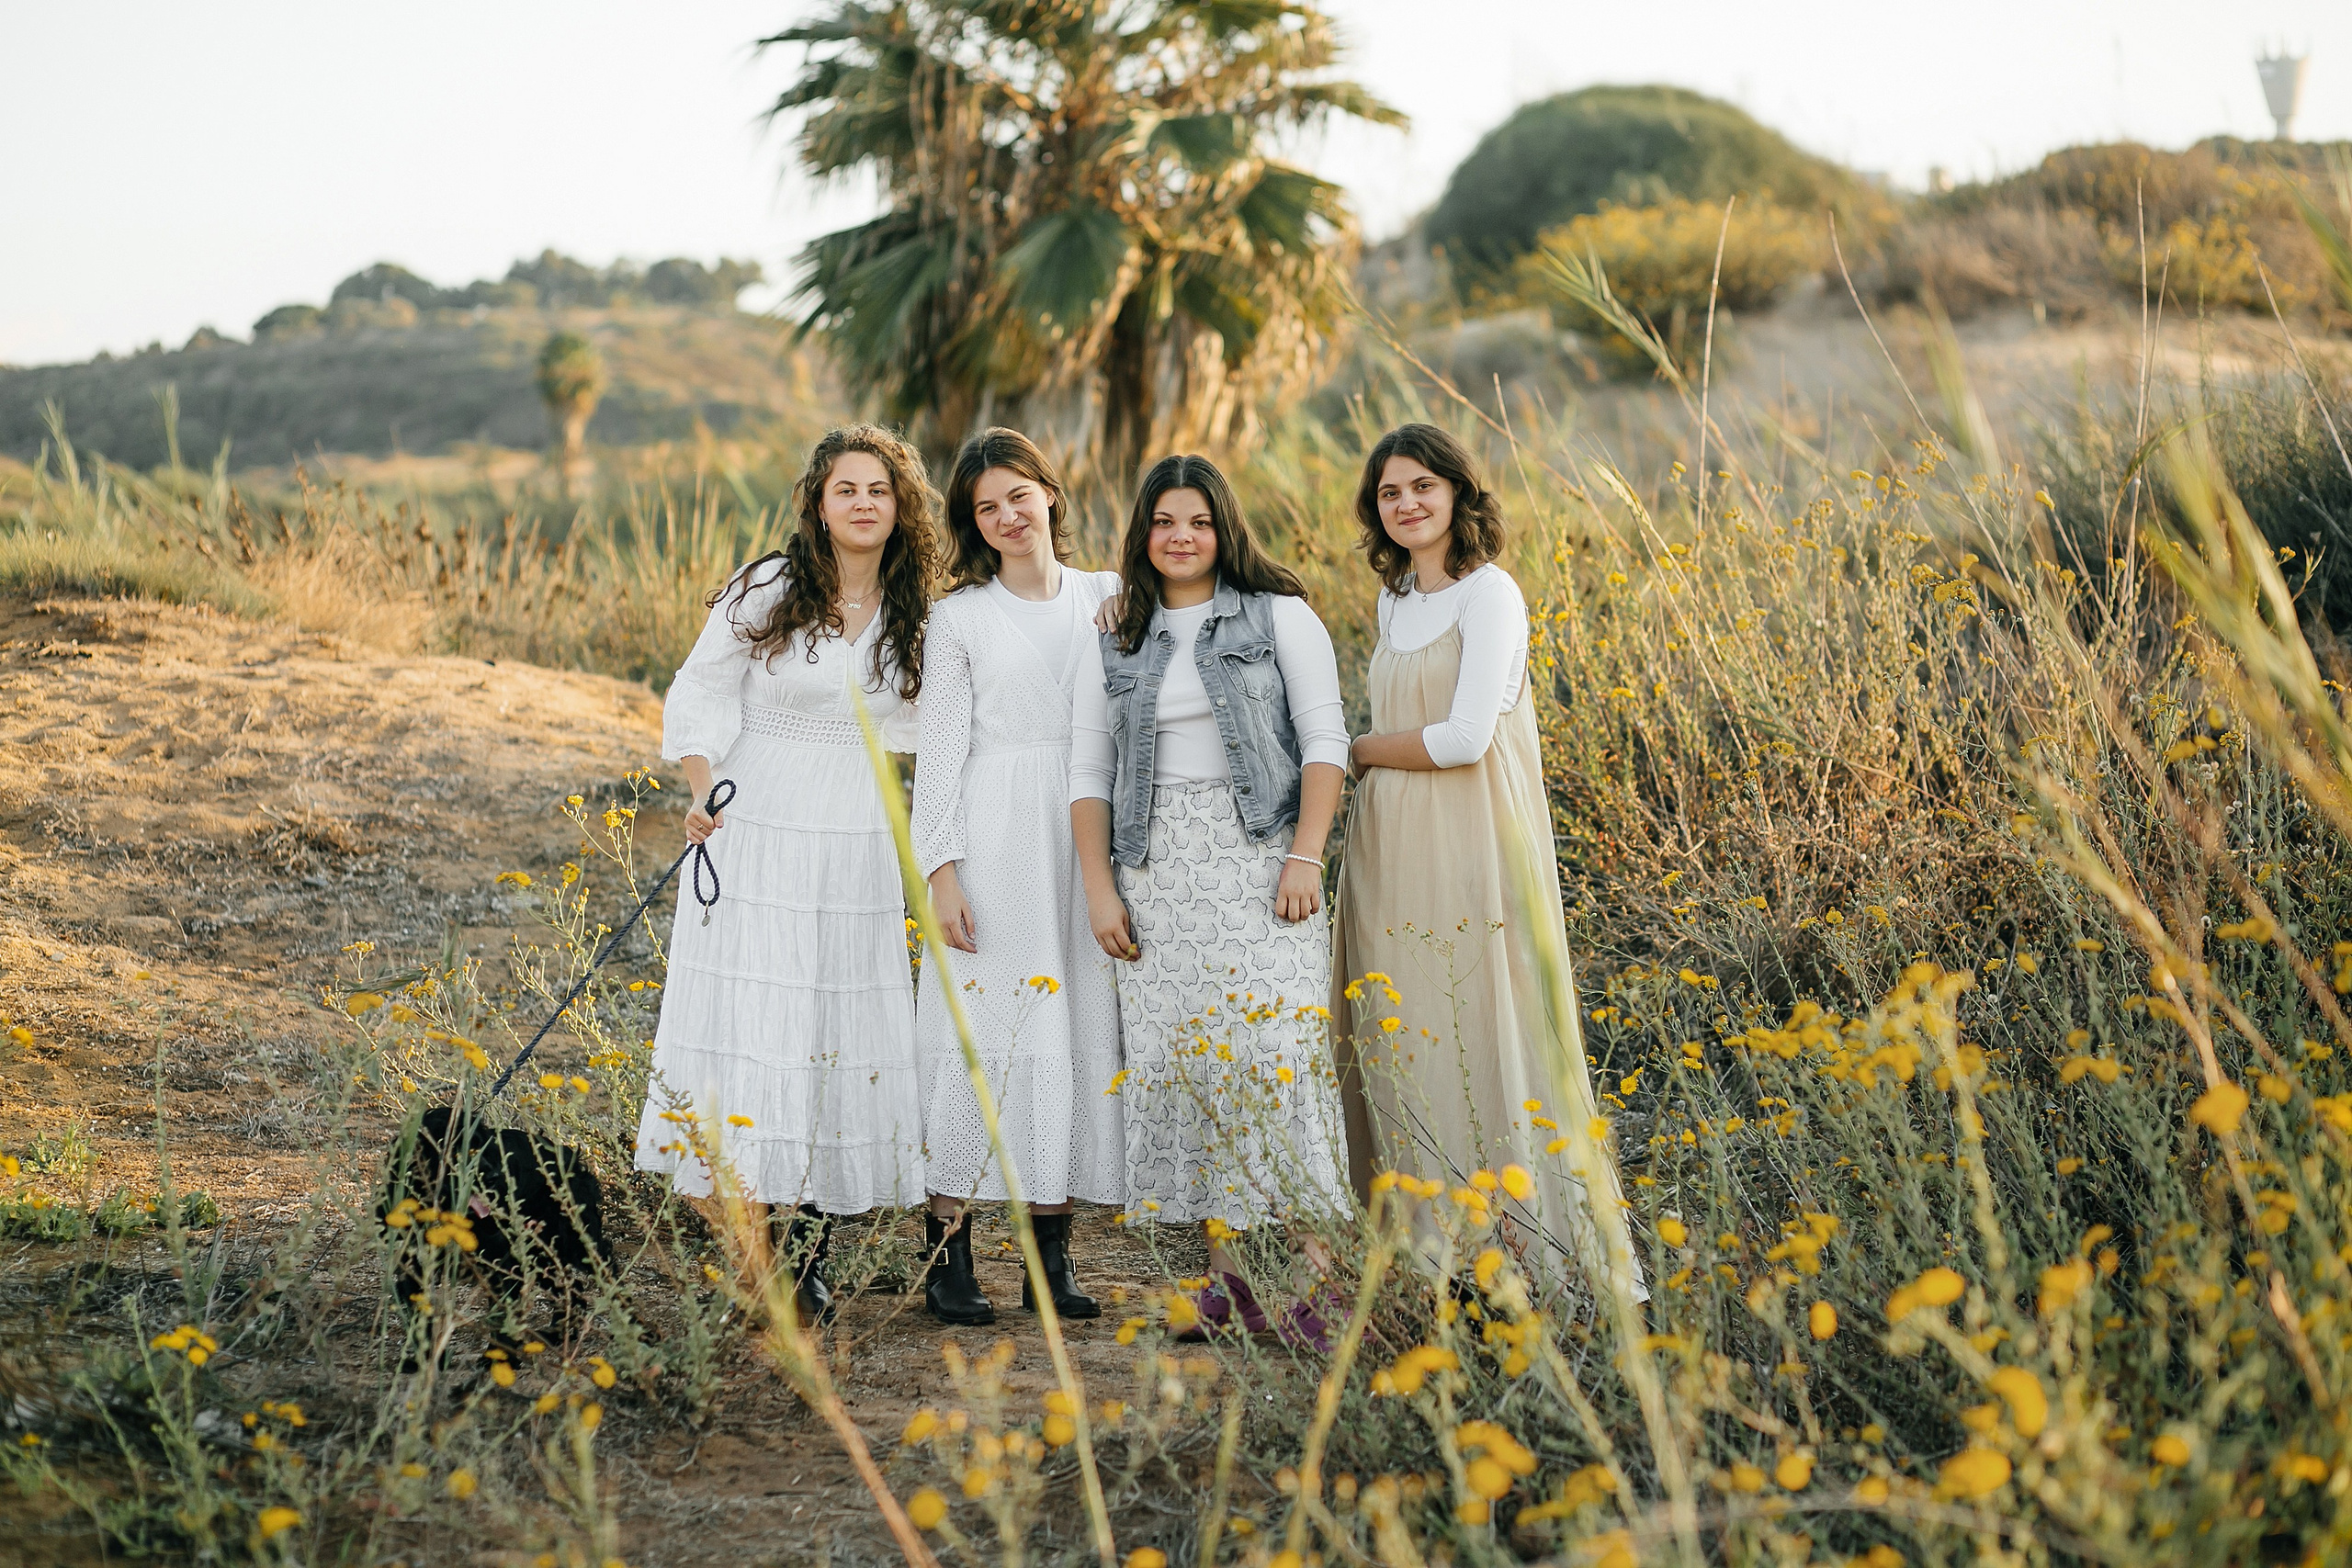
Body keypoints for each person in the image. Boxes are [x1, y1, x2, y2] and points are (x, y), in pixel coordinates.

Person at [634, 423, 942, 1325]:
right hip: (756, 826)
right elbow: (698, 689)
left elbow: (941, 719)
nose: (862, 504)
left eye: (879, 490)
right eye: (846, 488)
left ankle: (809, 1256)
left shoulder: (917, 607)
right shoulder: (770, 587)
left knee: (828, 1030)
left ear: (899, 506)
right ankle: (751, 1253)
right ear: (818, 500)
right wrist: (702, 790)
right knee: (754, 1029)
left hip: (853, 838)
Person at [1070, 453, 1351, 1343]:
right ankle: (1226, 1285)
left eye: (1195, 520)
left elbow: (1325, 743)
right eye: (1162, 522)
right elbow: (1087, 770)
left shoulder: (1281, 618)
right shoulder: (1117, 630)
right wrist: (1100, 889)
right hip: (1156, 874)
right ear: (1141, 535)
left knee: (1274, 1061)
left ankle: (1319, 1283)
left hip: (1259, 866)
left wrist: (1305, 855)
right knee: (1191, 1070)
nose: (1180, 536)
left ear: (1222, 527)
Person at [1334, 421, 1620, 1287]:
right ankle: (1429, 1246)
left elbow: (1463, 737)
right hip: (1389, 841)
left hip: (1469, 839)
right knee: (1406, 1025)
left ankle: (1519, 1243)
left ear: (1457, 491)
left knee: (1478, 1020)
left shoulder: (1489, 593)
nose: (1407, 504)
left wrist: (1357, 750)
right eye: (1389, 493)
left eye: (1423, 485)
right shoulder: (1393, 603)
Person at [910, 428, 1124, 1326]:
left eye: (1017, 496)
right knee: (983, 1030)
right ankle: (947, 1252)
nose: (1005, 517)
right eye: (984, 507)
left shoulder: (1112, 596)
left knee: (1072, 1021)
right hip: (995, 830)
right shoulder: (957, 618)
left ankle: (1051, 1253)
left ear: (1049, 494)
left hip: (1088, 832)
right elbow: (941, 750)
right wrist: (942, 873)